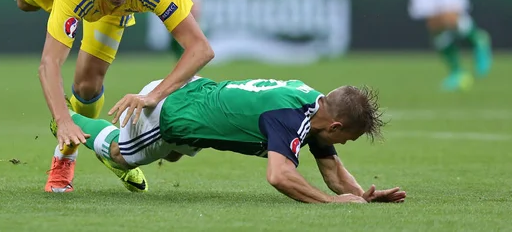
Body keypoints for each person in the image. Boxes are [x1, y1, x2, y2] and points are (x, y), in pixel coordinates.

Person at [0, 0, 214, 192]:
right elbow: (49, 64)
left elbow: (201, 49)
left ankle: (65, 158)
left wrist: (154, 95)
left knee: (88, 86)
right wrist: (62, 119)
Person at [55, 77, 406, 204]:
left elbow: (333, 173)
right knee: (120, 154)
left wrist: (362, 196)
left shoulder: (313, 107)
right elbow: (279, 176)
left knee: (174, 157)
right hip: (171, 113)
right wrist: (331, 204)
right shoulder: (290, 118)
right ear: (337, 125)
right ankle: (66, 120)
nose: (343, 145)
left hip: (195, 94)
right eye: (348, 138)